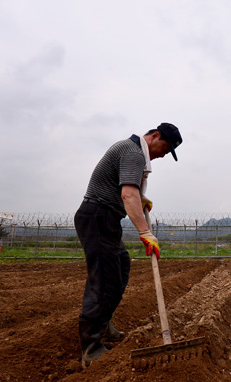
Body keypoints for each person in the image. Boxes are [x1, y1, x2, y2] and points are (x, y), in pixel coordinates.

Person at [74, 122, 182, 367]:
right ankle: (90, 347)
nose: (162, 155)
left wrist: (141, 198)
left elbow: (126, 188)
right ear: (155, 136)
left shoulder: (131, 151)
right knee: (103, 279)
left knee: (120, 267)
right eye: (164, 149)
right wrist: (145, 232)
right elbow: (127, 194)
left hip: (105, 218)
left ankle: (103, 324)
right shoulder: (133, 152)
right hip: (98, 215)